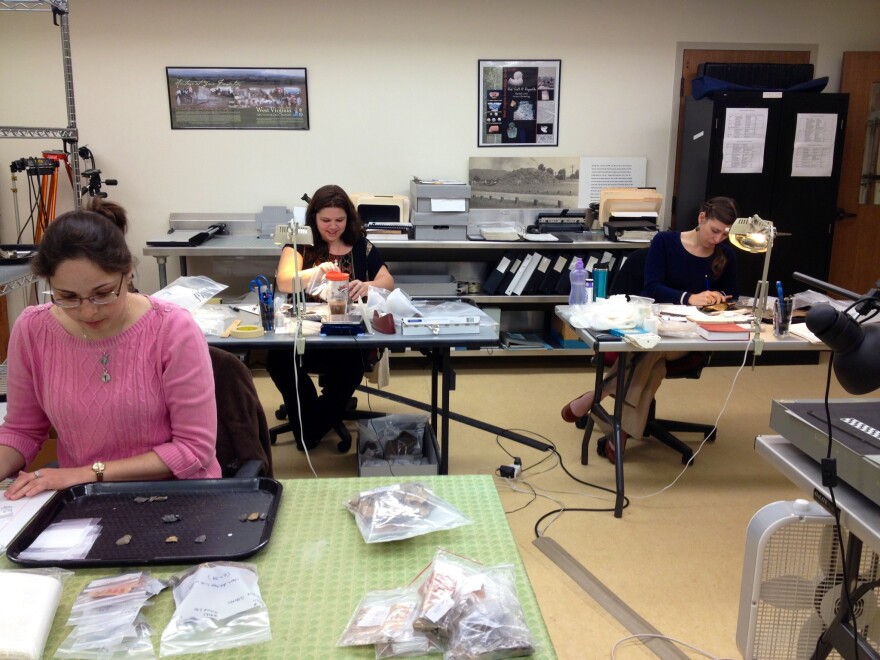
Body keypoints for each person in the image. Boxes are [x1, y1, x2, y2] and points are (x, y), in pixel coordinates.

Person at [0, 199, 221, 500]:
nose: (88, 311)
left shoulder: (172, 330)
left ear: (127, 272)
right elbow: (22, 431)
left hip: (177, 498)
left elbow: (193, 449)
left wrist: (84, 474)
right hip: (85, 502)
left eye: (102, 294)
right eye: (67, 297)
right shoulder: (32, 329)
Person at [561, 196, 740, 463]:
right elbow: (652, 287)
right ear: (702, 218)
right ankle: (621, 429)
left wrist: (719, 296)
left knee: (652, 352)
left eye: (725, 234)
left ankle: (599, 398)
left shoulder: (727, 254)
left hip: (690, 337)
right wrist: (689, 298)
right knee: (651, 361)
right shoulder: (665, 242)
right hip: (652, 327)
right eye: (715, 230)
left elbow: (734, 295)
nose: (718, 239)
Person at [266, 184, 394, 451]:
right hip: (305, 338)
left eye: (339, 220)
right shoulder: (300, 243)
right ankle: (316, 415)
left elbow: (388, 281)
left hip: (347, 338)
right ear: (313, 218)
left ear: (349, 219)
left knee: (354, 361)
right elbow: (285, 282)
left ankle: (314, 422)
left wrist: (368, 286)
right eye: (325, 220)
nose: (333, 226)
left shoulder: (360, 246)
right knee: (278, 360)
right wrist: (314, 274)